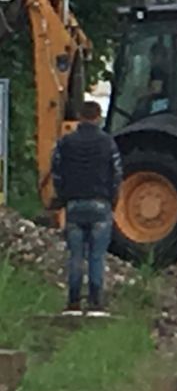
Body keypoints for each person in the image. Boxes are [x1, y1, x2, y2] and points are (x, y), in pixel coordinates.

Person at [50, 101, 122, 315]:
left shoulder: (66, 142)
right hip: (101, 204)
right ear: (98, 117)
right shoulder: (108, 143)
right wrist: (113, 201)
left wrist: (63, 198)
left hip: (74, 204)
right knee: (97, 255)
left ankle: (73, 302)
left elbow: (56, 172)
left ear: (80, 116)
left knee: (75, 255)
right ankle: (95, 302)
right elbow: (117, 174)